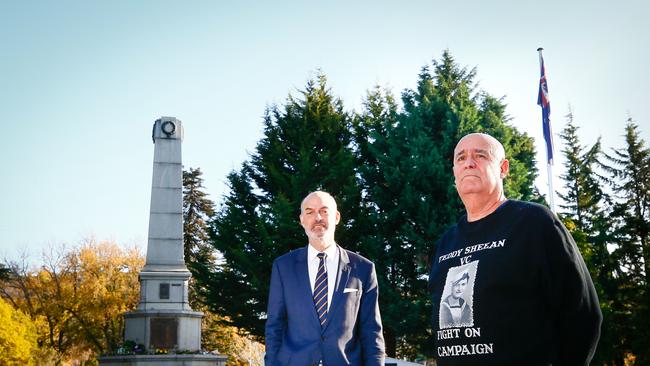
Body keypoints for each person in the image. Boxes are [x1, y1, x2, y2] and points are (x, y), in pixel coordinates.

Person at [428, 133, 602, 365]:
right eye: (460, 158)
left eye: (480, 155)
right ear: (455, 172)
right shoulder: (446, 242)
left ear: (503, 168)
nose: (469, 162)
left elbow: (583, 313)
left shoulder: (534, 223)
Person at [265, 191, 385, 366]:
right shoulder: (283, 267)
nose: (318, 217)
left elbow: (371, 332)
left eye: (324, 210)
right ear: (302, 220)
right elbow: (274, 327)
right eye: (310, 212)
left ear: (336, 217)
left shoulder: (363, 269)